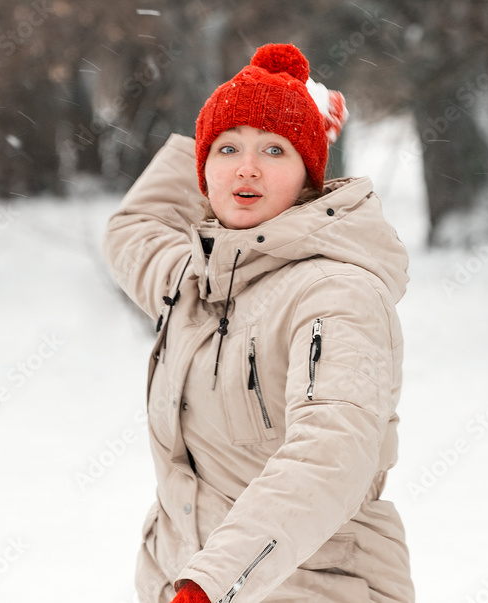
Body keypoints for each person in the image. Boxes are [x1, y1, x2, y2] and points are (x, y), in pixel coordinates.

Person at [101, 43, 414, 603]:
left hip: (314, 588)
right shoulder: (195, 283)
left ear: (309, 179)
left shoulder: (337, 293)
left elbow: (330, 455)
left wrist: (211, 581)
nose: (246, 167)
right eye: (226, 149)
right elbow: (136, 227)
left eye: (275, 149)